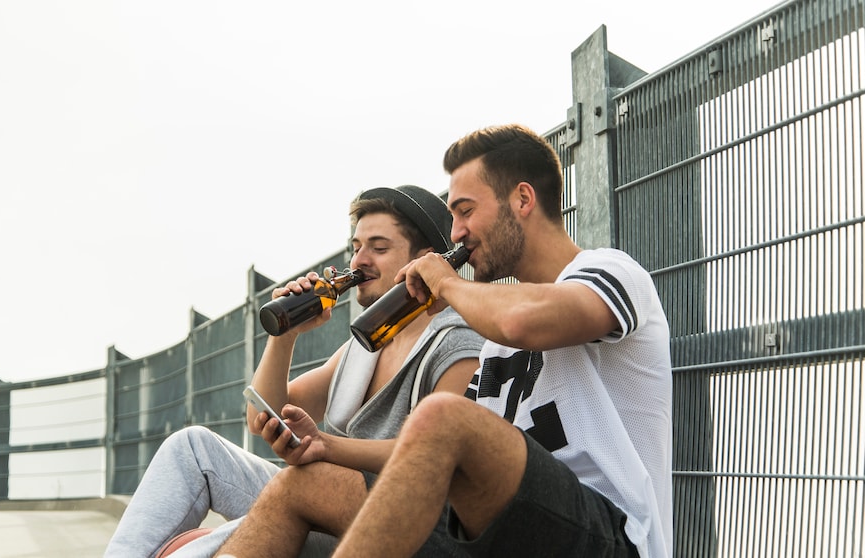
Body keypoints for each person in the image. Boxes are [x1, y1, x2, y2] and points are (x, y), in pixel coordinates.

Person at [216, 123, 673, 558]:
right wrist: (325, 448)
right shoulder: (494, 341)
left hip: (609, 536)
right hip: (494, 532)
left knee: (442, 415)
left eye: (466, 211)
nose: (455, 233)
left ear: (522, 199)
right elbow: (431, 451)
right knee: (303, 483)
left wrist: (449, 284)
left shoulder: (610, 271)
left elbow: (525, 322)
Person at [103, 184, 484, 558]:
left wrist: (326, 446)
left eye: (379, 248)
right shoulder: (363, 346)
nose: (358, 261)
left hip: (394, 524)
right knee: (192, 448)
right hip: (316, 501)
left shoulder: (457, 344)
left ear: (428, 260)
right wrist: (285, 335)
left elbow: (439, 455)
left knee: (268, 511)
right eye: (356, 248)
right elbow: (261, 414)